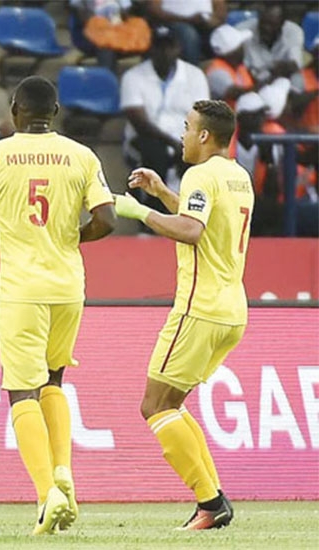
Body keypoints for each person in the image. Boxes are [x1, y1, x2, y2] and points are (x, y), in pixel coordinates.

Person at [0, 76, 116, 535]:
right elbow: (106, 220)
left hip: (22, 288)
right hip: (69, 285)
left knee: (20, 390)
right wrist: (72, 237)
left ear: (14, 110)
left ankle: (47, 490)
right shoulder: (81, 155)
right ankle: (63, 468)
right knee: (54, 379)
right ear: (56, 111)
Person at [114, 99, 253, 530]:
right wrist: (161, 192)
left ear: (205, 136)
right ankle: (212, 498)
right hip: (232, 310)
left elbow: (192, 231)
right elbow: (203, 220)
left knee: (154, 406)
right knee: (173, 403)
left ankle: (210, 501)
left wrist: (139, 211)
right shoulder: (236, 175)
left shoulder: (200, 173)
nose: (182, 133)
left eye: (188, 126)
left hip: (199, 308)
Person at [121, 25, 209, 212]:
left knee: (201, 155)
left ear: (178, 48)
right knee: (154, 152)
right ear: (151, 49)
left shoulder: (195, 75)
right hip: (148, 140)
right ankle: (151, 217)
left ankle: (192, 217)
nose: (164, 52)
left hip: (185, 139)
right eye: (159, 47)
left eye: (169, 46)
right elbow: (139, 122)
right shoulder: (133, 76)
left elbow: (203, 117)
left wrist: (185, 144)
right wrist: (173, 143)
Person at [69, 0, 150, 71]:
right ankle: (107, 80)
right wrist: (104, 24)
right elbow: (82, 16)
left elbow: (126, 12)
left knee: (146, 33)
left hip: (118, 28)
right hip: (92, 30)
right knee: (106, 42)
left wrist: (121, 17)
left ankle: (149, 78)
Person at [236, 3, 304, 86]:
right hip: (251, 81)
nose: (266, 28)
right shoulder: (242, 31)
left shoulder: (294, 31)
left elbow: (294, 65)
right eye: (263, 23)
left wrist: (276, 70)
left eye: (271, 24)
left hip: (282, 80)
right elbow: (239, 67)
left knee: (297, 78)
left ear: (282, 24)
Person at [146, 0, 226, 65]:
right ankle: (192, 75)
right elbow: (154, 9)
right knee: (189, 34)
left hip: (204, 22)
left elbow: (220, 8)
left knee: (224, 34)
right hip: (172, 22)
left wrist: (214, 21)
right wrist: (187, 19)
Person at [206, 24, 255, 109]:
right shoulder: (217, 72)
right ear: (234, 51)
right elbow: (237, 94)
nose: (244, 49)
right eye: (241, 46)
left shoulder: (239, 66)